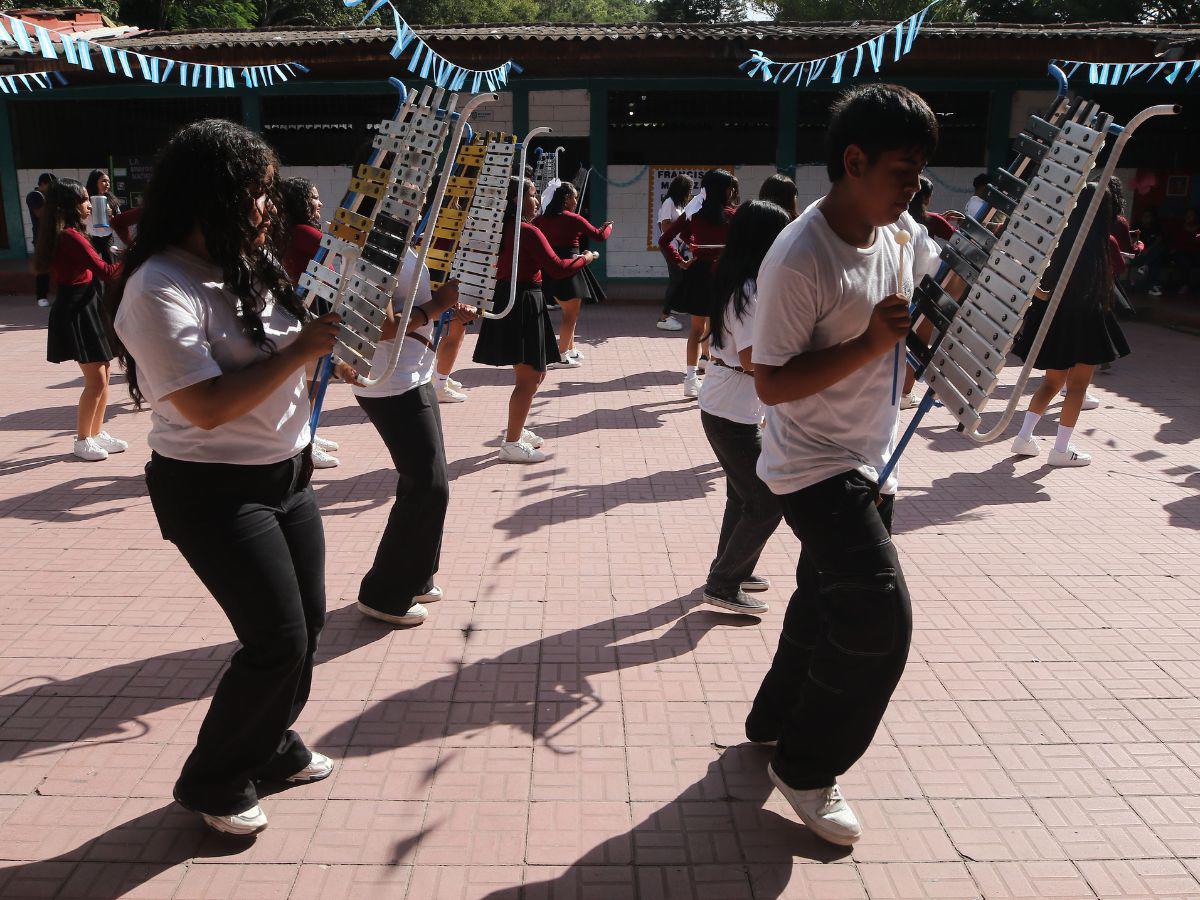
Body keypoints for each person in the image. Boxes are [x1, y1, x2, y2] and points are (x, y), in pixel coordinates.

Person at [110, 119, 341, 836]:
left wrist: (338, 349)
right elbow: (207, 408)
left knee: (307, 626)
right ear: (212, 195)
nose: (268, 207)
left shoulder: (249, 263)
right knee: (276, 639)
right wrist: (305, 347)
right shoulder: (158, 287)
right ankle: (212, 780)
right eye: (258, 192)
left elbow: (291, 357)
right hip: (212, 489)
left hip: (287, 473)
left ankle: (268, 744)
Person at [745, 83, 937, 847]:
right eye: (901, 172)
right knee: (878, 621)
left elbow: (936, 274)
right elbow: (770, 381)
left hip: (872, 454)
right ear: (853, 161)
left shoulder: (896, 232)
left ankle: (771, 722)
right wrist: (868, 346)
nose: (912, 189)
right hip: (812, 466)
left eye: (920, 175)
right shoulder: (799, 257)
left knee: (822, 600)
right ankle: (807, 763)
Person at [339, 249, 472, 625]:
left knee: (432, 482)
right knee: (427, 485)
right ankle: (383, 593)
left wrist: (449, 308)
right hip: (389, 383)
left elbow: (411, 307)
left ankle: (416, 576)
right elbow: (375, 324)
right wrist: (436, 308)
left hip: (415, 373)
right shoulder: (376, 245)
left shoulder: (411, 242)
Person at [698, 200, 789, 615]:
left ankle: (732, 568)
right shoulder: (750, 289)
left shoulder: (740, 279)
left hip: (728, 403)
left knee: (742, 495)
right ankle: (724, 581)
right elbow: (754, 359)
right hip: (730, 409)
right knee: (768, 499)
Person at [473, 176, 597, 463]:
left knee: (534, 373)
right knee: (529, 376)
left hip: (514, 297)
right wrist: (587, 258)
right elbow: (559, 267)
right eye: (531, 194)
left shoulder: (500, 229)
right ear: (516, 200)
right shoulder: (525, 231)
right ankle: (511, 443)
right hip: (523, 299)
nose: (537, 200)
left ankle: (517, 429)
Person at [1010, 182, 1130, 467]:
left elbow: (1042, 279)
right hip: (1086, 318)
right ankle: (1060, 449)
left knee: (1052, 382)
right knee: (1077, 387)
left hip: (1056, 316)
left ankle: (1024, 436)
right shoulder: (1101, 242)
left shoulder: (1061, 236)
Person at [38, 178, 125, 462]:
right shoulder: (70, 237)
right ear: (71, 204)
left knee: (105, 375)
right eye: (86, 199)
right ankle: (82, 439)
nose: (90, 204)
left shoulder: (74, 233)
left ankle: (97, 433)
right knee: (96, 380)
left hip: (87, 305)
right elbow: (105, 271)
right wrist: (136, 255)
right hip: (77, 310)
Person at [658, 168, 737, 399]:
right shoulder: (733, 215)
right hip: (723, 275)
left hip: (699, 273)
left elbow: (664, 239)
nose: (732, 191)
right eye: (730, 187)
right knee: (721, 329)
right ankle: (715, 379)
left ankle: (691, 380)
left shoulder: (694, 212)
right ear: (724, 189)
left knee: (696, 329)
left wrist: (681, 261)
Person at [278, 176, 340, 469]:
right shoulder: (302, 231)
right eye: (315, 198)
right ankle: (306, 439)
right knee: (310, 381)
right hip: (306, 308)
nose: (320, 203)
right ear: (302, 202)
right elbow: (337, 252)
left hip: (309, 305)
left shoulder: (294, 230)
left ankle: (309, 432)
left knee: (312, 378)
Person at [532, 182, 613, 367]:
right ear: (567, 199)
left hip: (549, 269)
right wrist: (608, 227)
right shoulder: (573, 218)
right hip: (570, 268)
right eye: (574, 197)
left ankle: (570, 349)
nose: (576, 200)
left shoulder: (540, 220)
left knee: (572, 311)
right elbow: (599, 236)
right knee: (571, 313)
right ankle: (560, 356)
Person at [655, 174, 691, 332]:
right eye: (688, 189)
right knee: (677, 278)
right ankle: (663, 317)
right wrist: (682, 226)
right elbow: (665, 227)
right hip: (669, 245)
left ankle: (674, 307)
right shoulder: (669, 202)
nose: (690, 193)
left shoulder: (679, 205)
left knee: (680, 278)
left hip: (678, 246)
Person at [28, 172, 56, 307]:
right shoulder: (35, 195)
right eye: (50, 185)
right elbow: (40, 214)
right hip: (41, 237)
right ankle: (41, 296)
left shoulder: (48, 197)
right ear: (43, 184)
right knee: (43, 267)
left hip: (52, 236)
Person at [85, 169, 122, 264]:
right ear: (94, 182)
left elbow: (119, 221)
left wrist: (111, 216)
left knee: (110, 265)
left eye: (108, 181)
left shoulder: (112, 200)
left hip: (107, 237)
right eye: (104, 181)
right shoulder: (85, 199)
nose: (107, 184)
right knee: (90, 265)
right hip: (91, 237)